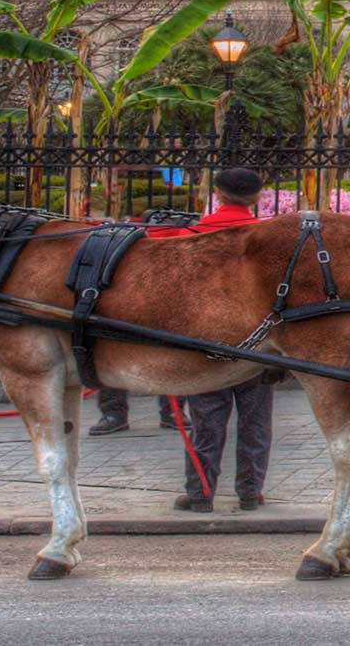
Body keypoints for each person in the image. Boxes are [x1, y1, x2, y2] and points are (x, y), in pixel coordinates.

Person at [152, 167, 278, 513]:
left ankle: (200, 493)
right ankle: (251, 492)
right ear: (256, 197)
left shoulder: (192, 234)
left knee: (206, 421)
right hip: (257, 341)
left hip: (205, 340)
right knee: (257, 421)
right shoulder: (266, 236)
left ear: (219, 194)